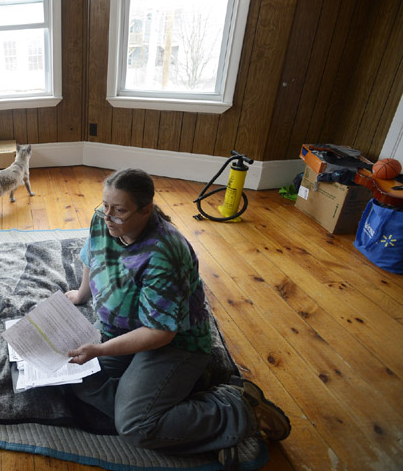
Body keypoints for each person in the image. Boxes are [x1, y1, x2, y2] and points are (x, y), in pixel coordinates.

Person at [64, 168, 290, 468]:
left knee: (135, 427)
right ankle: (182, 394)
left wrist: (100, 350)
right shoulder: (104, 220)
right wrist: (81, 295)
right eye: (105, 206)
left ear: (146, 209)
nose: (107, 217)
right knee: (72, 376)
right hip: (117, 331)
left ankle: (237, 409)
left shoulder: (165, 253)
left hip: (171, 343)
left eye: (119, 211)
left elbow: (160, 333)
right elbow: (94, 255)